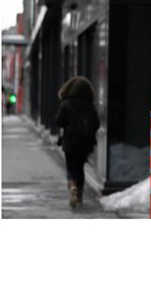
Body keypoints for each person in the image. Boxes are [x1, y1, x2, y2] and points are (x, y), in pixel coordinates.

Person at [54, 76, 100, 208]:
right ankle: (79, 196)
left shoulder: (66, 104)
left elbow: (58, 121)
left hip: (70, 142)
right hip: (85, 143)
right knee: (80, 168)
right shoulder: (90, 106)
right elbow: (96, 124)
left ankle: (72, 186)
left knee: (71, 168)